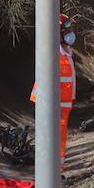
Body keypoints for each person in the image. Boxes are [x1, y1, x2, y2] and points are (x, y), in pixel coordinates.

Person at [29, 14, 76, 164]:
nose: (70, 34)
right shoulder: (53, 54)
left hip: (62, 104)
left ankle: (56, 171)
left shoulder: (64, 51)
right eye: (66, 31)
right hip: (53, 105)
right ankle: (52, 173)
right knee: (51, 139)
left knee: (59, 139)